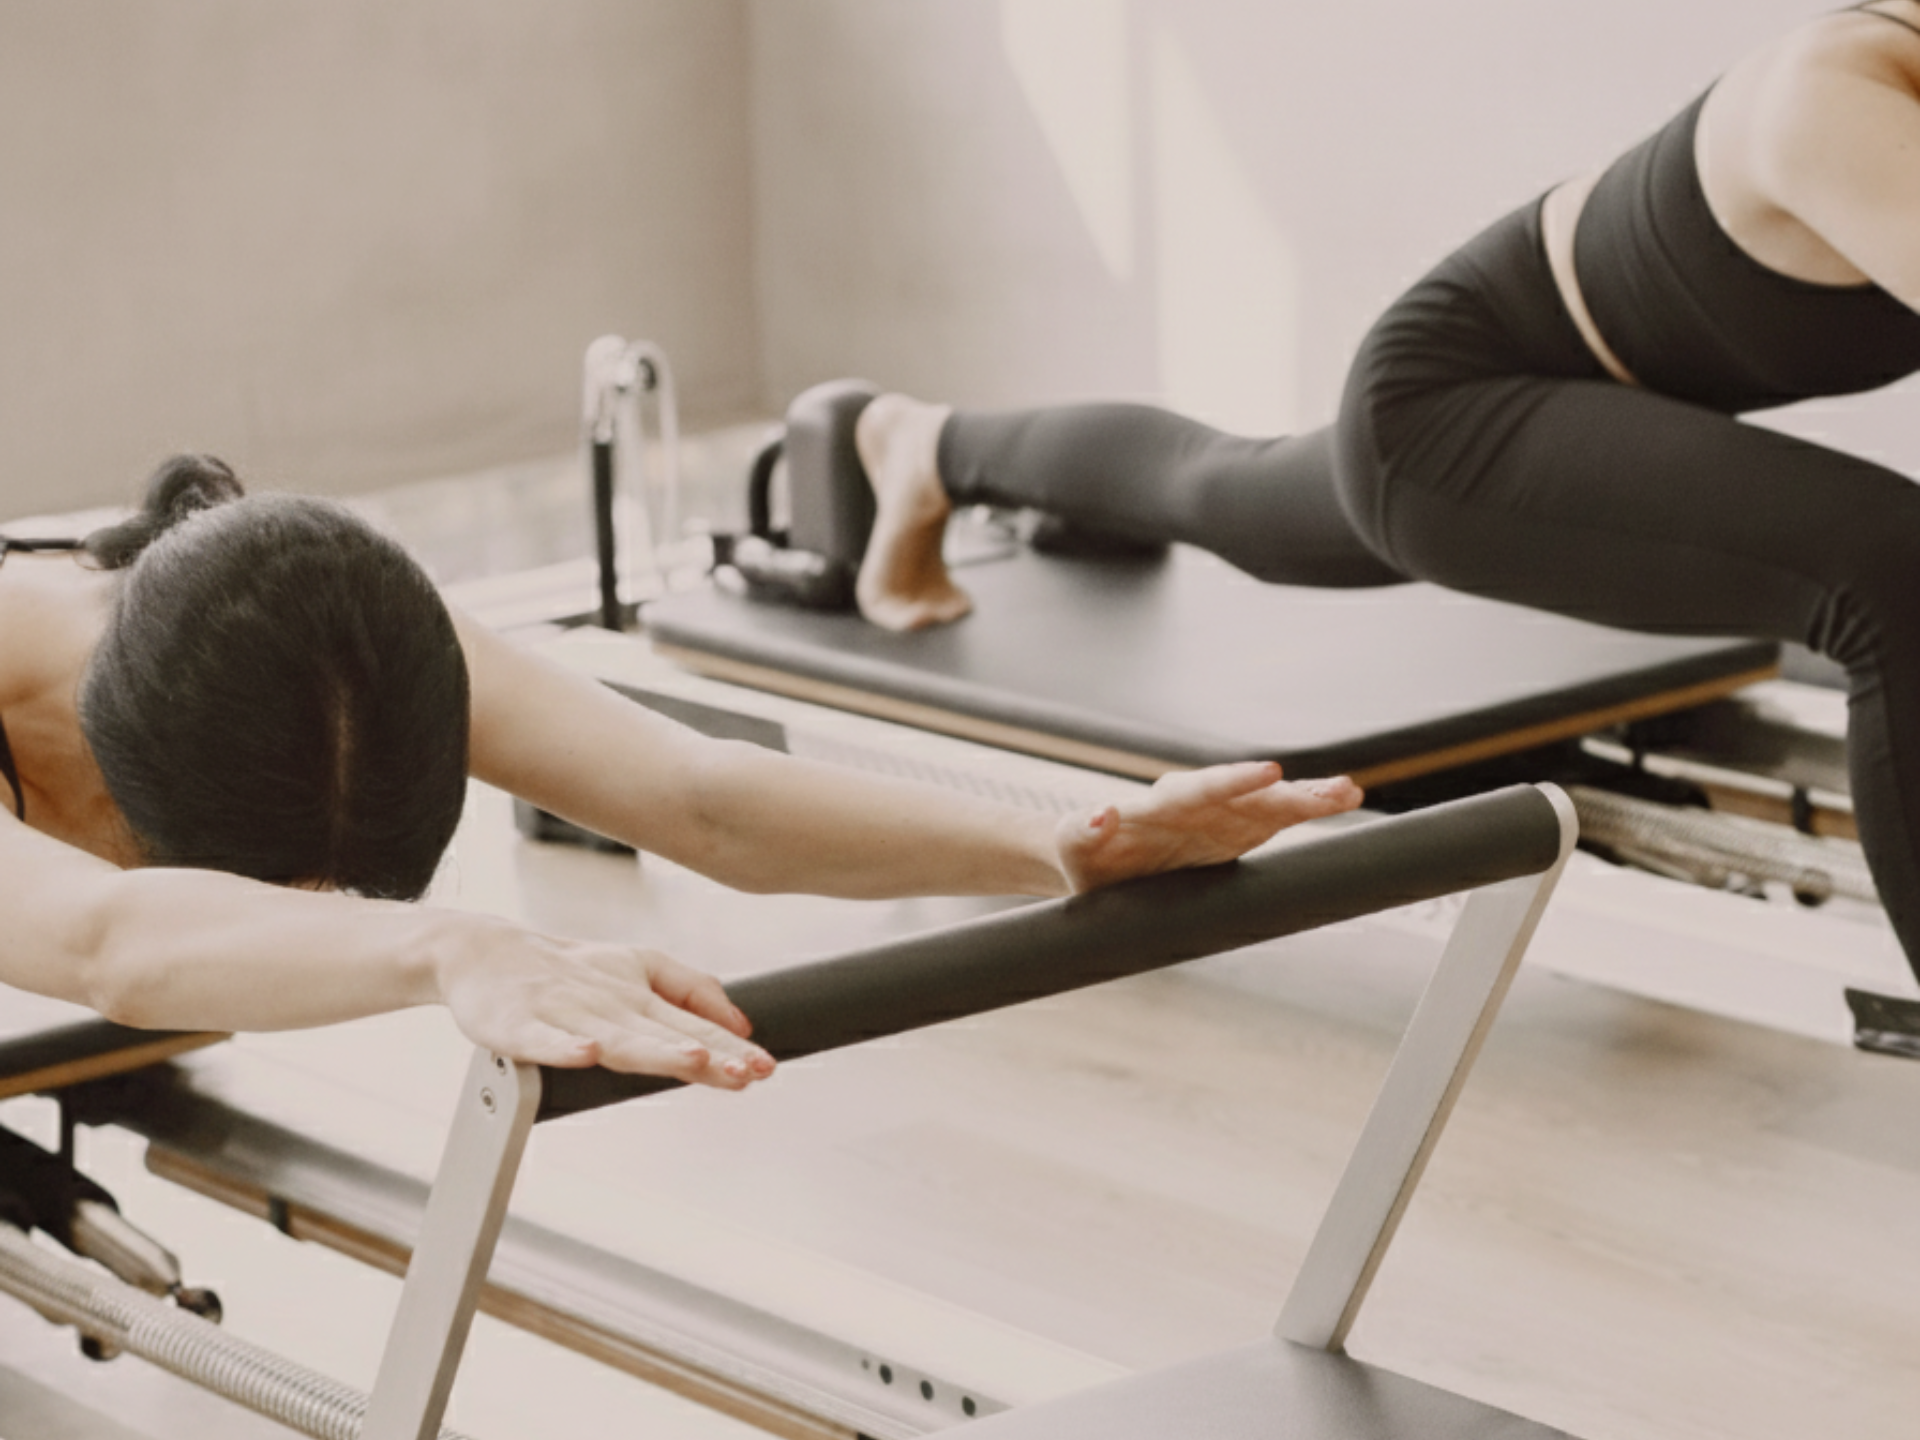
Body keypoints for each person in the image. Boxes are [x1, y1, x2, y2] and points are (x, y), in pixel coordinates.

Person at [846, 1, 1920, 981]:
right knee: (1887, 567)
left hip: (1552, 406)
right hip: (1448, 408)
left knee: (1229, 498)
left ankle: (928, 445)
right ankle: (926, 449)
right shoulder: (1835, 105)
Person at [0, 455, 1361, 1089]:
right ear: (122, 791)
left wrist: (1059, 840)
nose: (304, 906)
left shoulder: (292, 620)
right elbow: (106, 941)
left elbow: (699, 797)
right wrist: (448, 946)